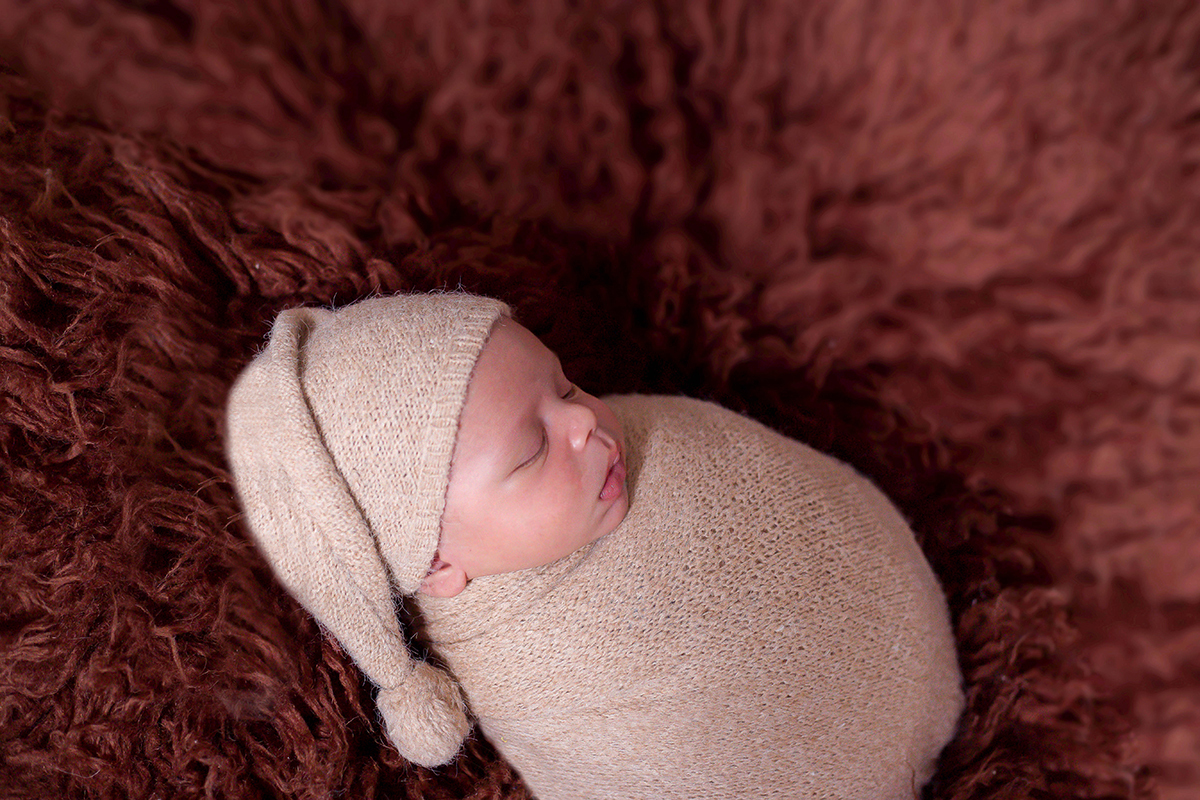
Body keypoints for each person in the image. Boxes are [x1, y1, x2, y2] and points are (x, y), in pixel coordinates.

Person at [225, 292, 963, 800]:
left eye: (567, 387)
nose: (583, 425)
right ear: (438, 566)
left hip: (909, 637)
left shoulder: (647, 442)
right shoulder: (537, 670)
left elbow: (779, 500)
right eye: (530, 452)